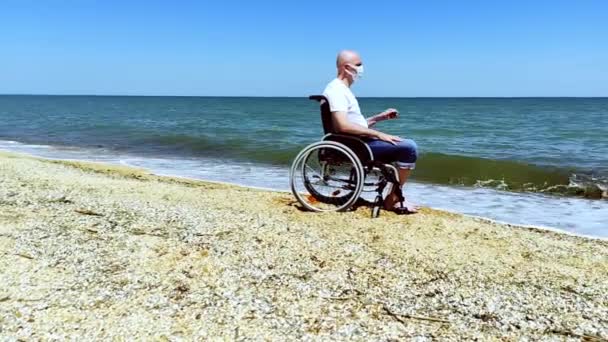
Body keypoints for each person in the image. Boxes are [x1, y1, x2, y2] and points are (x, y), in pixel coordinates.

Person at [322, 50, 419, 213]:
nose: (362, 68)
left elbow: (355, 125)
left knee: (401, 144)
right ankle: (392, 199)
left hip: (357, 142)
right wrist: (380, 134)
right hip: (356, 147)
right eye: (359, 65)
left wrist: (379, 118)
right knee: (409, 147)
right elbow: (342, 126)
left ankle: (394, 193)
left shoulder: (342, 90)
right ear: (346, 67)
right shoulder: (336, 90)